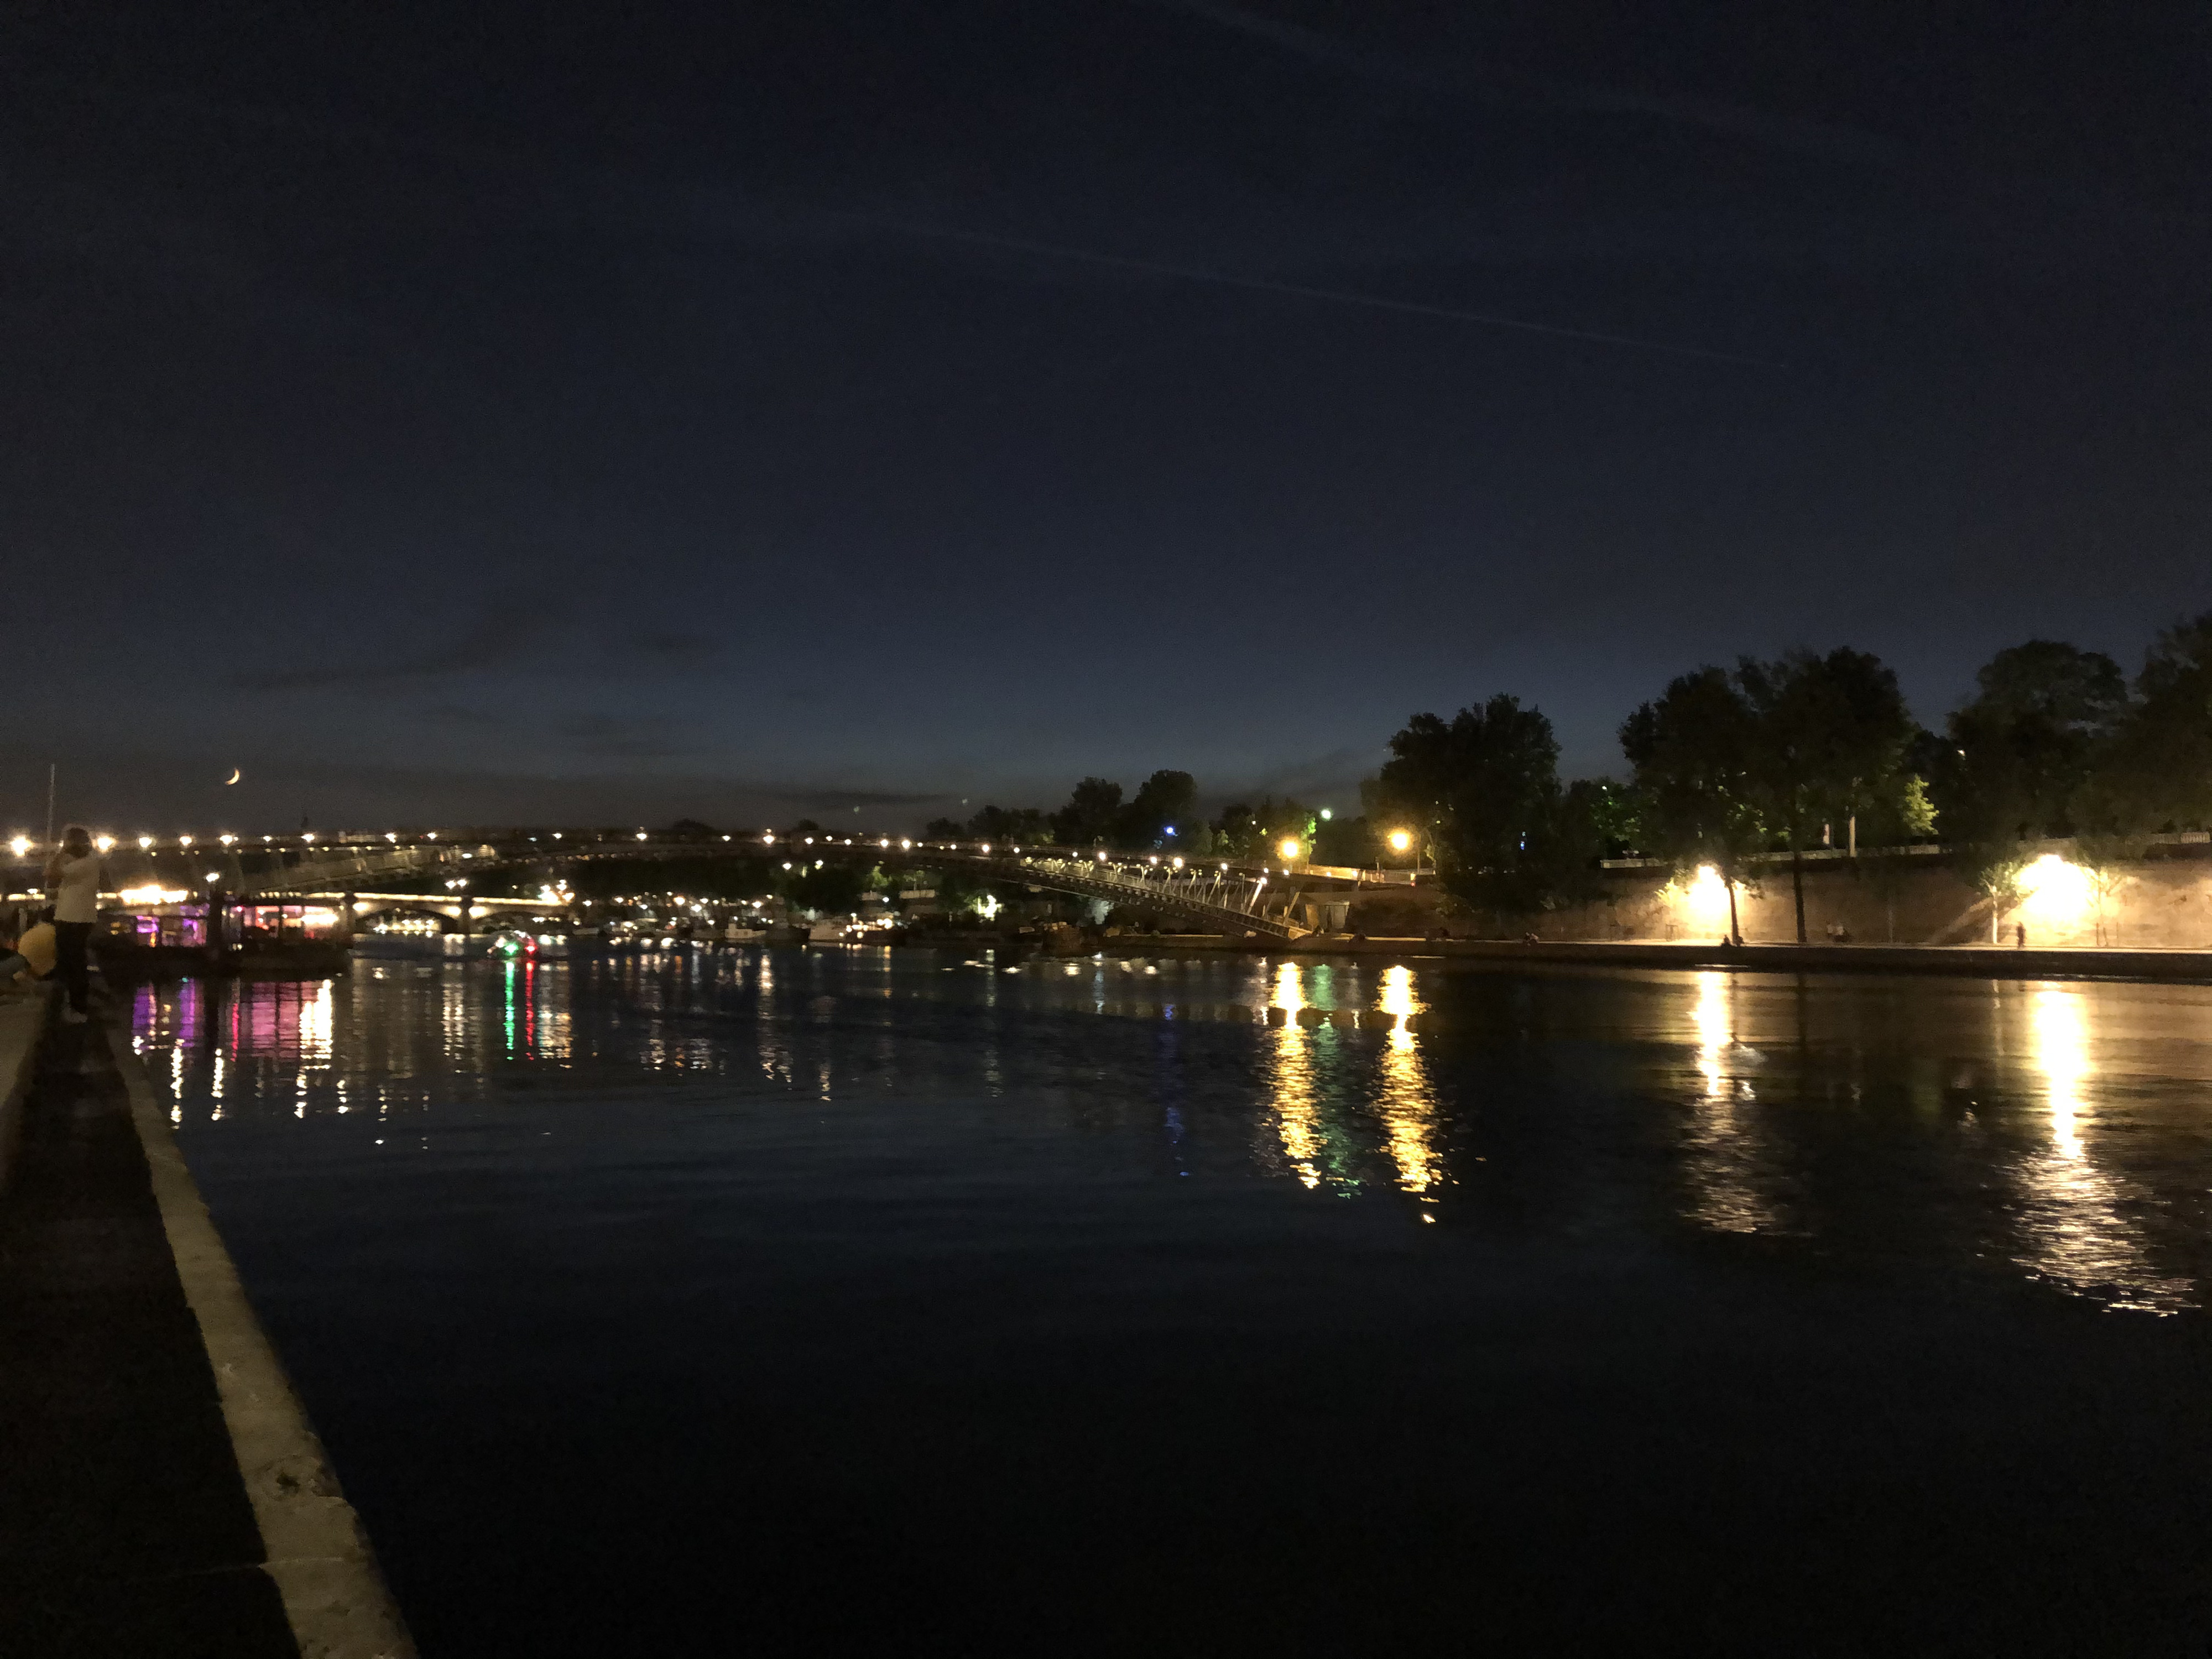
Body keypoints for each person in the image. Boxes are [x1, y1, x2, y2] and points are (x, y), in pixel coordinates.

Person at [44, 827, 105, 1024]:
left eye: (68, 841)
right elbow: (54, 880)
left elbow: (50, 873)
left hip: (75, 920)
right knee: (70, 964)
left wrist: (62, 852)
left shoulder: (87, 863)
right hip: (71, 918)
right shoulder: (82, 863)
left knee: (75, 965)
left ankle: (79, 1010)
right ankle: (73, 1006)